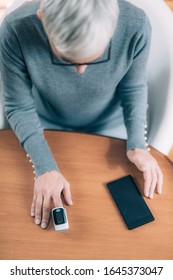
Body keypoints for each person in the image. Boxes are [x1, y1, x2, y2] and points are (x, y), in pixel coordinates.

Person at [0, 0, 163, 229]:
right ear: (43, 19)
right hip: (43, 123)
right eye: (69, 58)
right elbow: (18, 106)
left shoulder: (136, 24)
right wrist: (44, 167)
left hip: (111, 125)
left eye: (92, 58)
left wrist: (138, 144)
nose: (80, 72)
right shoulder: (14, 29)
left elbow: (133, 87)